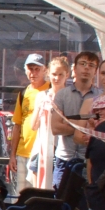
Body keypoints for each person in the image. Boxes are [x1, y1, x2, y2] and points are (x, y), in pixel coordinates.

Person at [49, 51, 100, 194]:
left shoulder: (100, 97)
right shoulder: (62, 95)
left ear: (95, 71)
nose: (86, 68)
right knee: (60, 204)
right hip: (64, 159)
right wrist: (84, 127)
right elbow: (56, 128)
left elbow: (100, 130)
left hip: (89, 161)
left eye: (91, 65)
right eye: (82, 64)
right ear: (74, 68)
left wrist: (69, 122)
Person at [8, 53, 48, 195]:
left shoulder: (51, 90)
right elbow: (17, 125)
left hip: (44, 153)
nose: (33, 73)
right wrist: (12, 155)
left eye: (37, 69)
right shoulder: (23, 93)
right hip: (23, 152)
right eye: (30, 69)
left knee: (40, 193)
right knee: (21, 194)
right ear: (26, 71)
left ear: (45, 70)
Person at [30, 56, 70, 189]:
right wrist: (41, 106)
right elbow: (33, 126)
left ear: (67, 75)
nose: (57, 78)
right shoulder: (42, 95)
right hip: (42, 149)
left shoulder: (70, 96)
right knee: (39, 187)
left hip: (62, 149)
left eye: (61, 74)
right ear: (48, 74)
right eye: (54, 74)